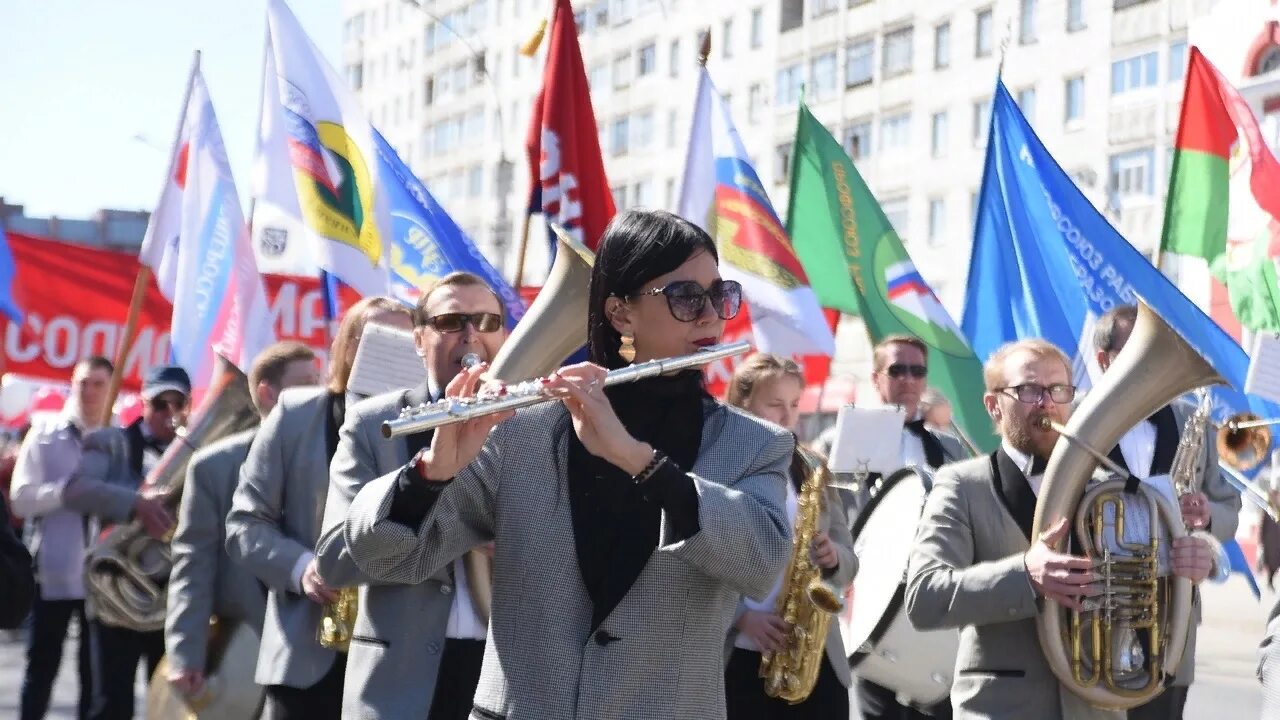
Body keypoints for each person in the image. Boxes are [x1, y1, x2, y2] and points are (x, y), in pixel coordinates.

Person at [343, 209, 793, 719]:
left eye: (720, 294)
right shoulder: (526, 432)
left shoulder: (757, 444)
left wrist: (640, 461)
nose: (711, 314)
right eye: (687, 297)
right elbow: (382, 557)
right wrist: (429, 475)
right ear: (620, 314)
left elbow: (761, 561)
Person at [905, 339, 1215, 720]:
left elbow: (1145, 593)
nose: (1046, 402)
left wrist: (1186, 568)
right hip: (1000, 709)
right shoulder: (961, 485)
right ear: (993, 406)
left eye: (1058, 390)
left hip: (1096, 708)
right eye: (1028, 390)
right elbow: (923, 598)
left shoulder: (1113, 487)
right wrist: (1024, 575)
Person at [315, 271, 508, 719]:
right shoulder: (372, 422)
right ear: (419, 340)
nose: (471, 334)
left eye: (487, 321)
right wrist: (440, 505)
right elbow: (335, 559)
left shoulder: (537, 420)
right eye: (450, 321)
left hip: (504, 677)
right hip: (400, 682)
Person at [226, 296, 411, 720]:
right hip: (309, 654)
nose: (391, 349)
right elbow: (244, 524)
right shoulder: (295, 414)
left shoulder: (429, 420)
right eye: (375, 337)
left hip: (400, 660)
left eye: (405, 338)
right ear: (346, 346)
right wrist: (300, 567)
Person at [1092, 304, 1241, 720]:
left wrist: (1207, 515)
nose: (1154, 367)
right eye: (1139, 352)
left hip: (1170, 612)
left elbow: (1230, 506)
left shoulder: (1191, 421)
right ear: (1104, 360)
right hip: (1094, 614)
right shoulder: (1077, 421)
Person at [815, 334, 965, 719]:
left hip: (931, 590)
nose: (909, 380)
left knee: (937, 702)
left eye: (918, 371)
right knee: (874, 701)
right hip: (866, 591)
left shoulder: (950, 448)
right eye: (898, 370)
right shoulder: (836, 440)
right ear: (877, 377)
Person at [164, 342, 320, 702]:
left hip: (316, 654)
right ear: (267, 392)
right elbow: (193, 566)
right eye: (306, 383)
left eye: (320, 381)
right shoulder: (212, 467)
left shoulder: (336, 456)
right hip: (240, 650)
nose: (320, 393)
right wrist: (186, 653)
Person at [722, 353, 856, 719]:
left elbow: (849, 560)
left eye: (795, 404)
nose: (788, 416)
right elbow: (696, 561)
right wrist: (741, 617)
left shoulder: (812, 466)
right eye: (775, 404)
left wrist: (834, 558)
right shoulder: (720, 467)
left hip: (814, 658)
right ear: (742, 404)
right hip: (740, 658)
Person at [63, 364, 191, 720]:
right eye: (159, 403)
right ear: (144, 403)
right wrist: (137, 503)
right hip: (117, 595)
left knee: (168, 704)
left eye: (176, 403)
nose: (168, 412)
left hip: (170, 596)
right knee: (110, 704)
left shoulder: (200, 453)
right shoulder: (110, 442)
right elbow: (75, 491)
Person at [10, 356, 113, 719]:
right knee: (41, 668)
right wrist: (65, 493)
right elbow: (20, 499)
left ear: (111, 387)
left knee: (95, 677)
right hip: (52, 574)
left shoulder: (119, 438)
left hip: (102, 580)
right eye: (83, 382)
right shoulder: (45, 432)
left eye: (99, 384)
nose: (89, 392)